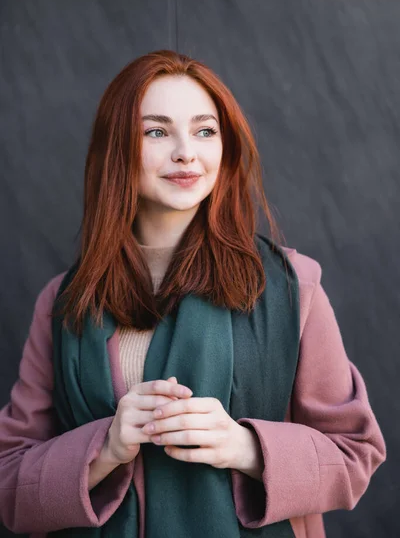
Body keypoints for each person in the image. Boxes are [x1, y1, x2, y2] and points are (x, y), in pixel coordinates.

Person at [0, 50, 386, 538]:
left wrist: (242, 446)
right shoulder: (65, 301)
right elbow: (10, 481)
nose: (186, 151)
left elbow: (355, 454)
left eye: (205, 131)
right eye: (156, 131)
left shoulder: (293, 286)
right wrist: (105, 447)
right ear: (116, 148)